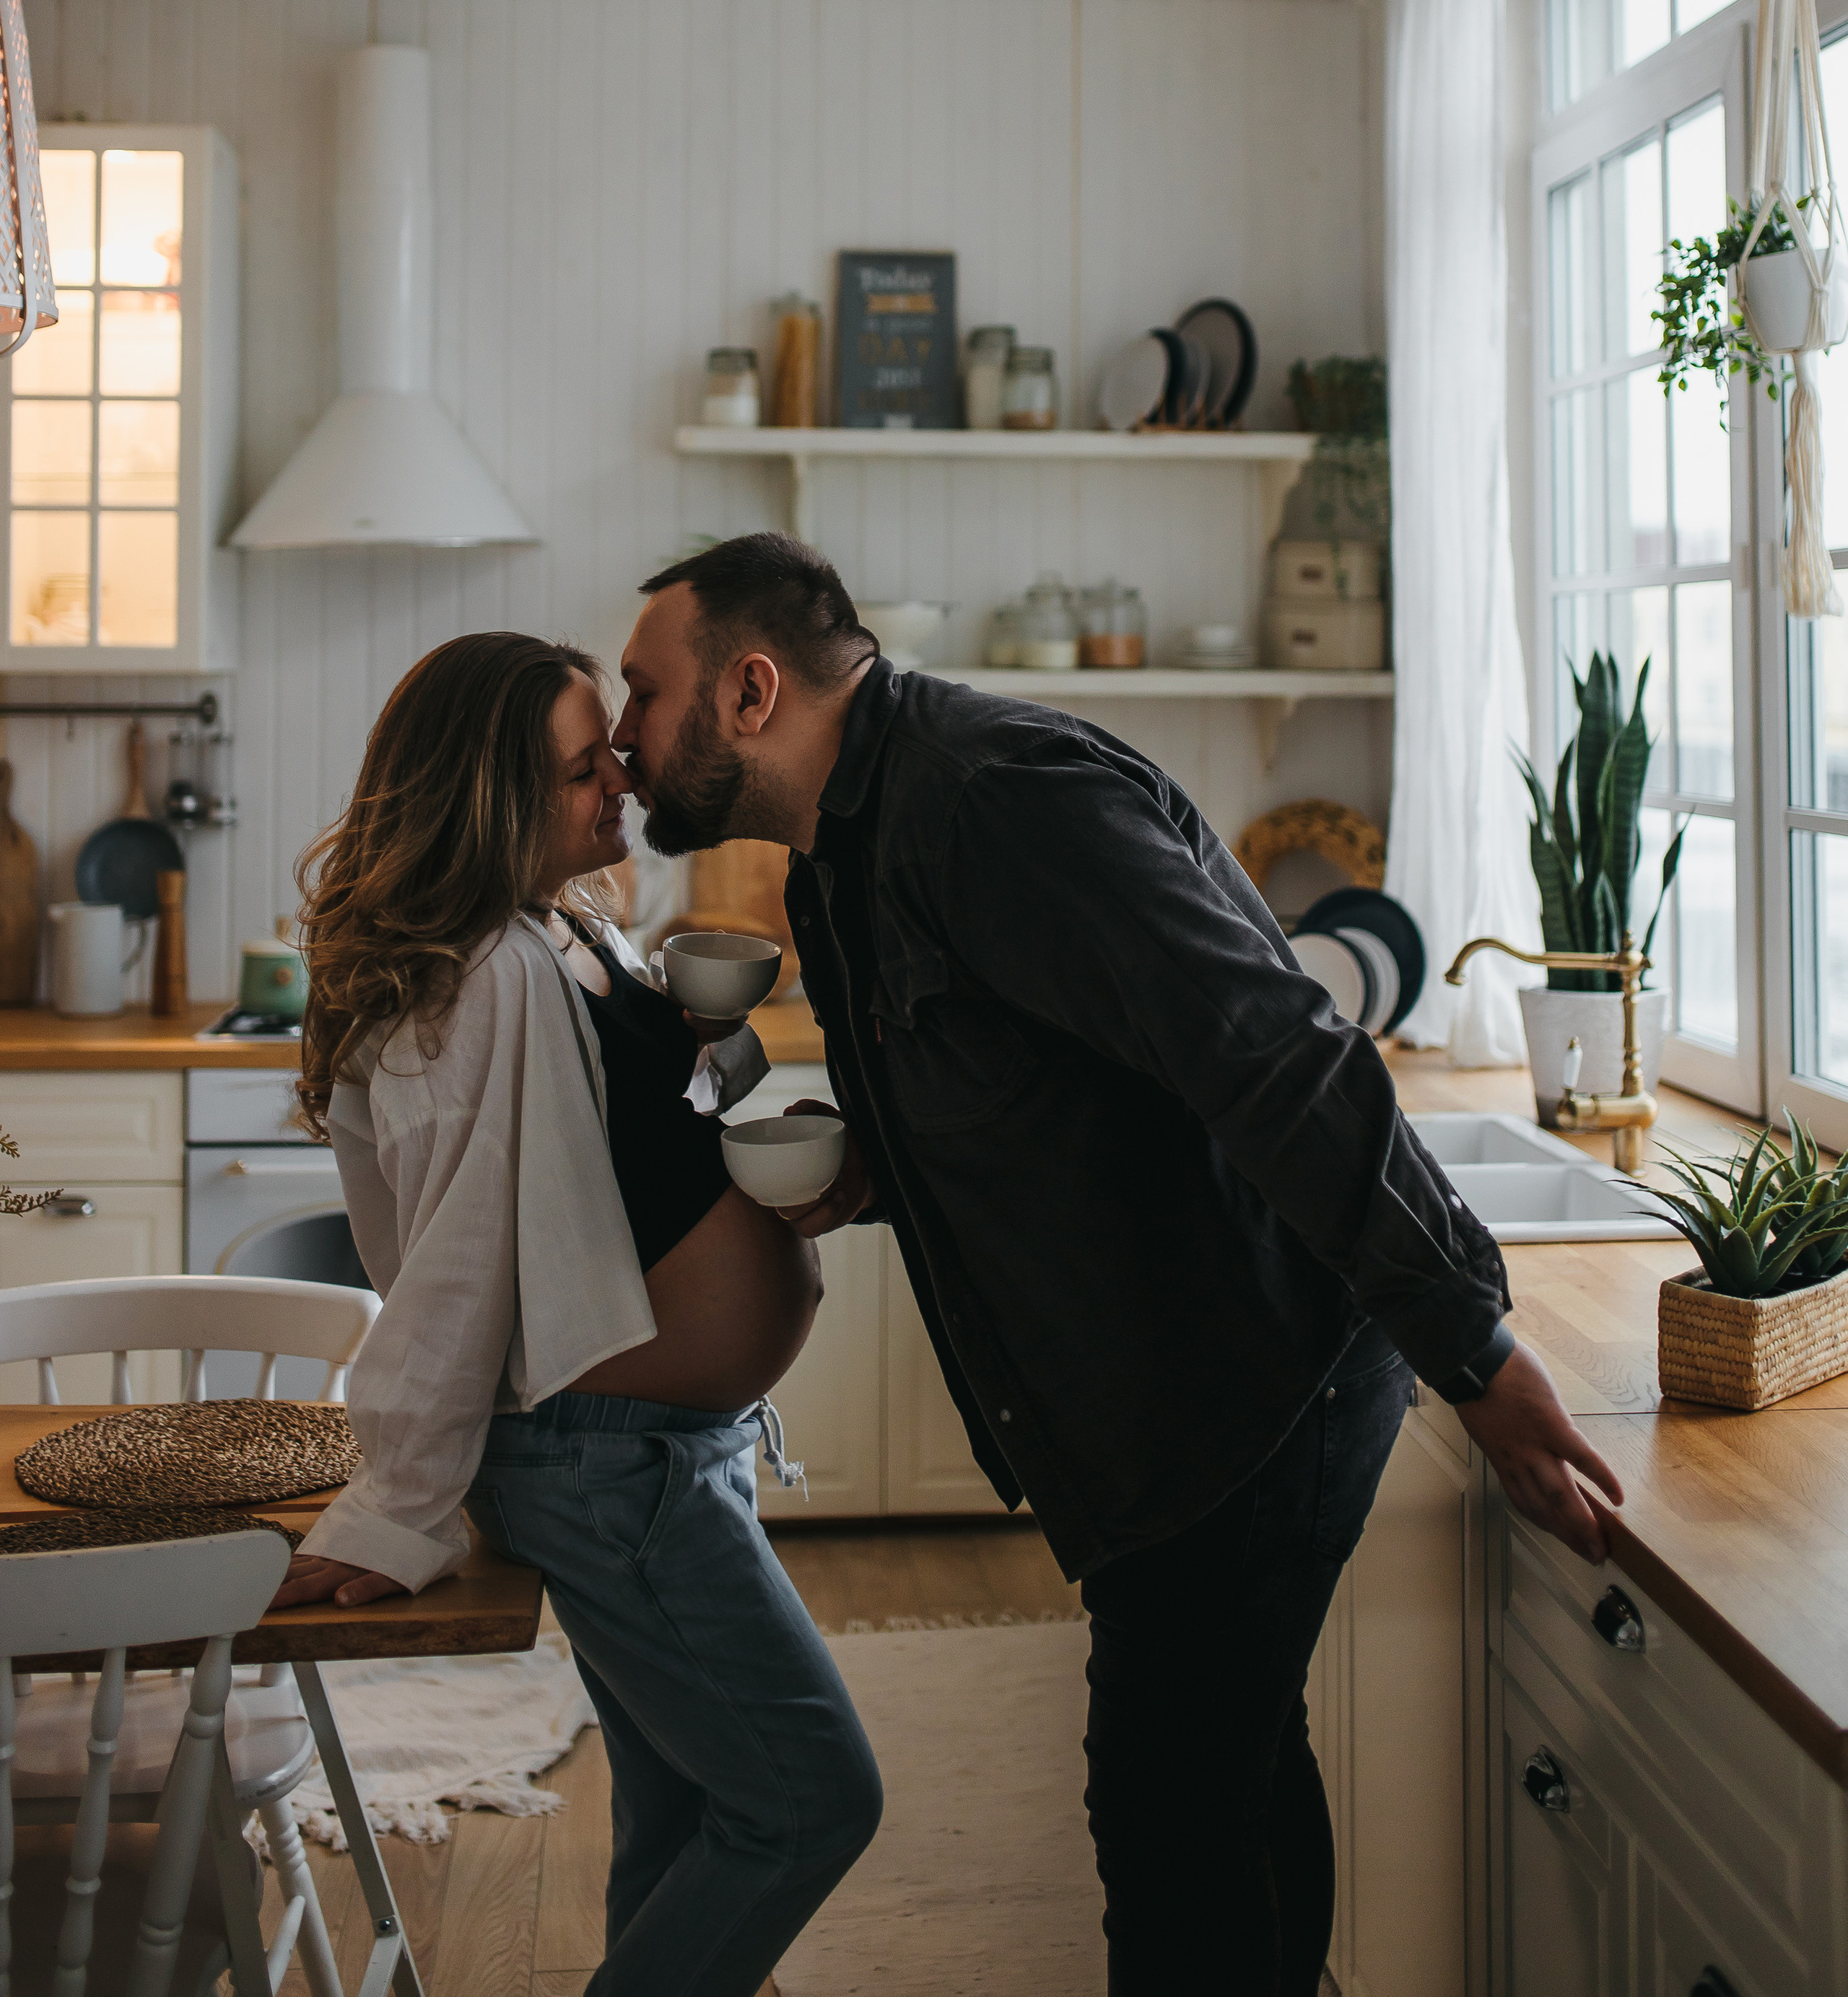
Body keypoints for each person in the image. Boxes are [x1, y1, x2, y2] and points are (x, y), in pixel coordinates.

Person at [611, 532, 1625, 1997]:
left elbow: (1276, 1055)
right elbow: (1031, 1070)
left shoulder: (994, 801)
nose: (630, 739)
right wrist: (869, 1171)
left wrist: (1474, 1350)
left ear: (751, 689)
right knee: (1228, 1769)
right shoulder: (840, 855)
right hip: (1156, 1395)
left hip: (1244, 1383)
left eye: (644, 695)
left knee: (1163, 1816)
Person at [271, 631, 881, 1997]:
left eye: (608, 742)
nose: (619, 775)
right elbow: (460, 1265)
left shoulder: (567, 929)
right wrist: (399, 1505)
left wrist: (707, 1035)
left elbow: (620, 1161)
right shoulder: (483, 977)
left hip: (659, 1453)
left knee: (681, 1810)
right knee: (811, 1800)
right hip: (611, 1465)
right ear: (483, 798)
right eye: (575, 768)